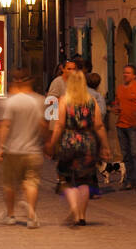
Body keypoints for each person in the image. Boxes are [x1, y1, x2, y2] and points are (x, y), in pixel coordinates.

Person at [46, 69, 110, 227]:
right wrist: (105, 146)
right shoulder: (91, 101)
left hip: (69, 142)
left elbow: (60, 125)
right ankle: (81, 216)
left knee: (67, 179)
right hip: (88, 143)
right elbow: (99, 125)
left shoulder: (64, 100)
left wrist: (52, 143)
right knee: (84, 181)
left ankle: (74, 208)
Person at [0, 70, 47, 228]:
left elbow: (5, 124)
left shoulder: (11, 101)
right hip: (33, 150)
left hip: (12, 150)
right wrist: (48, 142)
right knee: (31, 183)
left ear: (17, 82)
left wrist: (0, 147)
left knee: (9, 184)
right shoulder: (40, 100)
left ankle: (10, 215)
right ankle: (31, 217)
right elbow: (44, 124)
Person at [111, 64, 136, 191]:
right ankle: (129, 181)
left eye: (128, 73)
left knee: (135, 153)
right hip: (121, 125)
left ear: (134, 75)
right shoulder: (120, 89)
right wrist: (115, 109)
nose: (125, 75)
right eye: (124, 72)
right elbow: (116, 104)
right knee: (126, 154)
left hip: (134, 126)